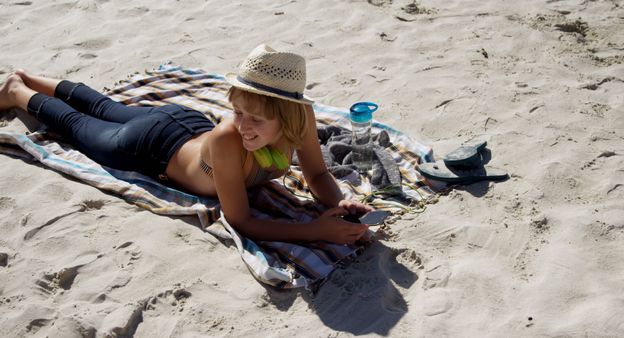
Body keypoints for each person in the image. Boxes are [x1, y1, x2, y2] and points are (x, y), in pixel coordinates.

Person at [0, 44, 373, 244]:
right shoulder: (230, 136)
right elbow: (241, 220)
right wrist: (313, 231)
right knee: (80, 122)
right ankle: (18, 88)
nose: (242, 125)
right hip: (148, 147)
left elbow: (318, 173)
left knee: (106, 107)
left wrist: (338, 202)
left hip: (183, 125)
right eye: (237, 111)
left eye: (255, 119)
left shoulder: (301, 119)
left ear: (287, 116)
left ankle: (26, 77)